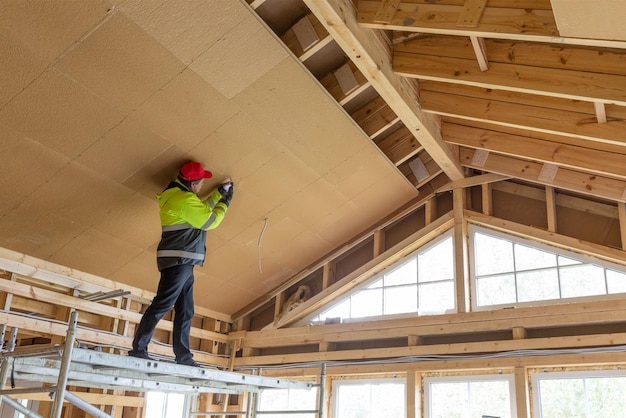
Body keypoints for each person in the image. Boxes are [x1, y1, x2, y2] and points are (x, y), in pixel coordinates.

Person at [128, 161, 234, 367]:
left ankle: (183, 356)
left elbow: (201, 208)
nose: (203, 185)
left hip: (182, 260)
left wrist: (219, 193)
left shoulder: (180, 195)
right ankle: (138, 349)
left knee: (185, 310)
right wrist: (225, 202)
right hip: (179, 260)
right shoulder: (182, 199)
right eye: (202, 182)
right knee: (163, 304)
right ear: (193, 184)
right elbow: (210, 220)